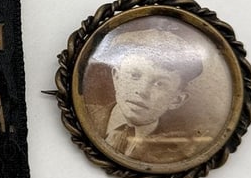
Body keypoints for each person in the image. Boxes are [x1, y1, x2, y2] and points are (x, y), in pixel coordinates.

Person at [88, 29, 208, 166]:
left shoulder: (178, 156)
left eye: (160, 84)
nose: (142, 91)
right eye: (135, 75)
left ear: (177, 100)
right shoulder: (85, 116)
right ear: (116, 77)